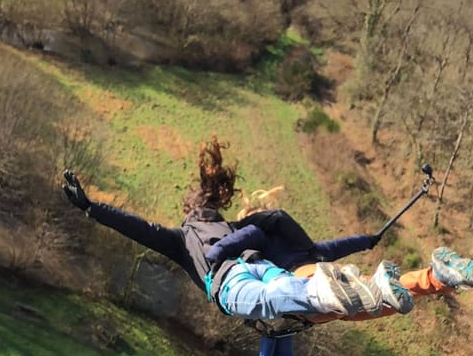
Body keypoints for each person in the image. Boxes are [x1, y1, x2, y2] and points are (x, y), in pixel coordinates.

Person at [63, 137, 390, 321]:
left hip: (247, 273)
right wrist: (93, 208)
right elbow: (136, 227)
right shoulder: (180, 239)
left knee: (279, 294)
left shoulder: (229, 229)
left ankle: (364, 292)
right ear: (192, 212)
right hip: (241, 277)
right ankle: (338, 289)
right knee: (277, 296)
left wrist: (364, 240)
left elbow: (319, 246)